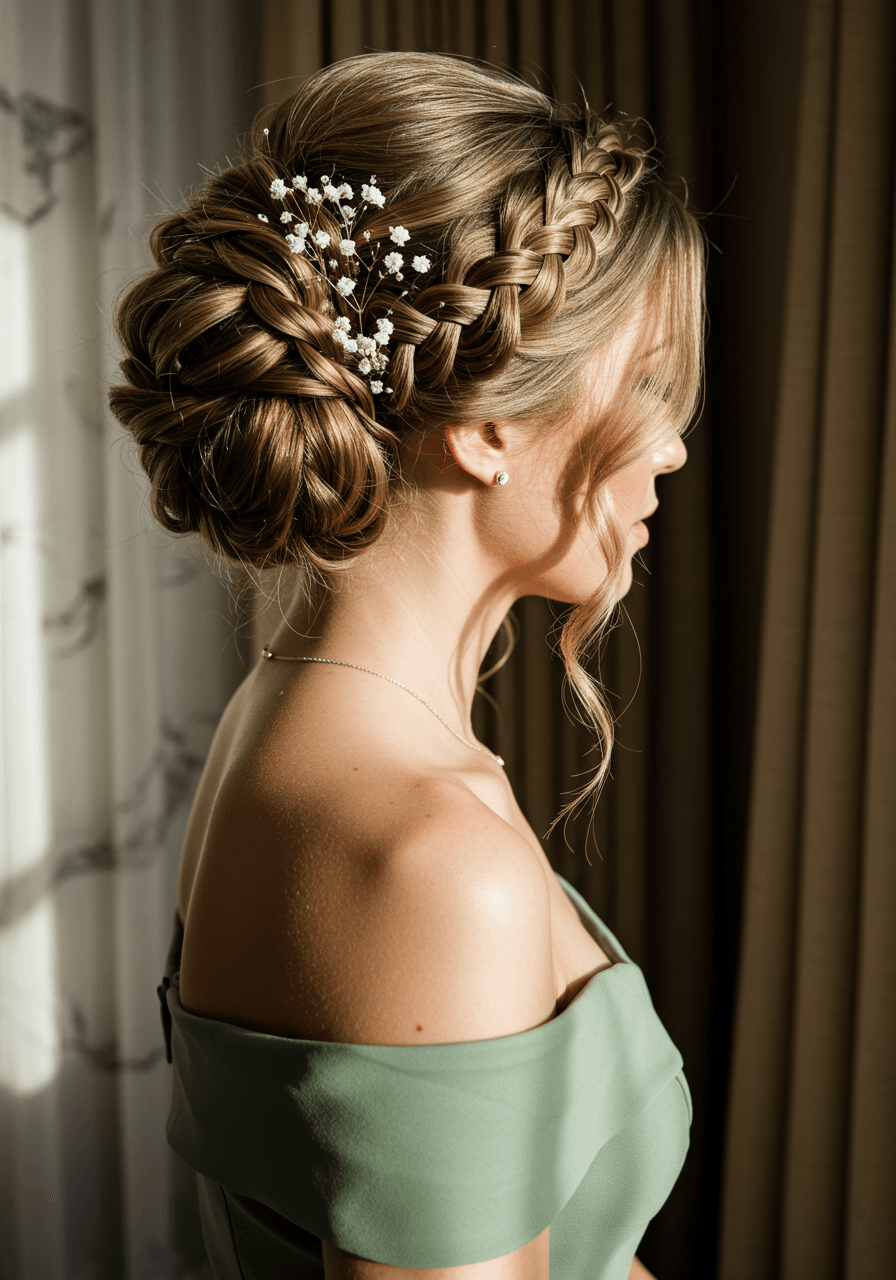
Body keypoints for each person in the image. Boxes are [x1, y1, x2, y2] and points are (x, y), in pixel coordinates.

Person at [109, 51, 704, 1280]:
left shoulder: (285, 717)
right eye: (644, 385)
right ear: (487, 428)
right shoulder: (428, 857)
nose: (672, 447)